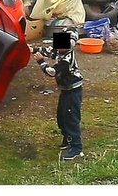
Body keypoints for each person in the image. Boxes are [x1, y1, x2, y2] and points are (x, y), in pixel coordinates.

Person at [32, 29, 85, 161]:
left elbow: (52, 72)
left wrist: (41, 62)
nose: (57, 48)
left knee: (71, 118)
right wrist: (32, 49)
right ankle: (67, 138)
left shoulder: (66, 60)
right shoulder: (61, 49)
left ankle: (76, 147)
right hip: (66, 90)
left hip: (73, 91)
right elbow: (48, 51)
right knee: (61, 116)